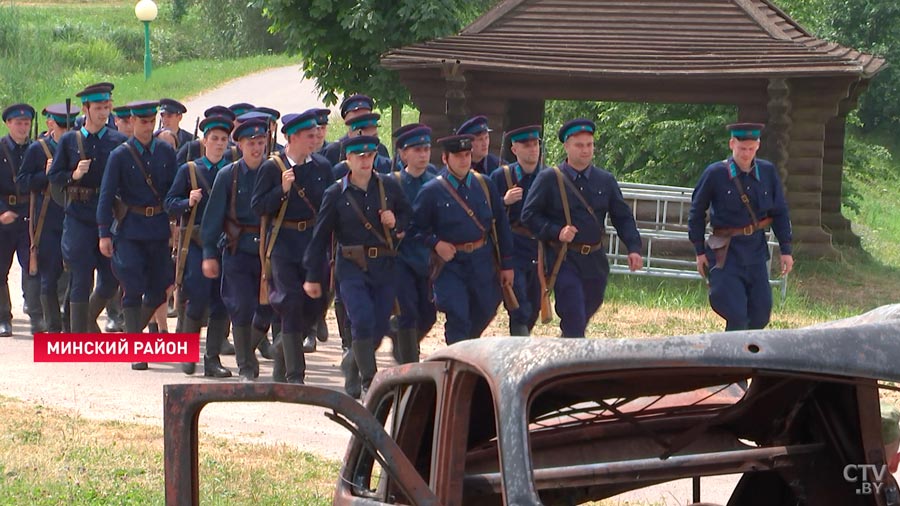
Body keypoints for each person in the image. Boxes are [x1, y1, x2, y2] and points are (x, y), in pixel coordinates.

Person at [304, 135, 411, 397]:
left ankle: (352, 365)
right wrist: (311, 275)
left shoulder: (389, 186)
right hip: (351, 266)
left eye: (370, 155)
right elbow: (319, 238)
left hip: (384, 264)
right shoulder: (335, 194)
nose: (365, 160)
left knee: (378, 325)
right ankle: (369, 380)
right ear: (348, 159)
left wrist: (395, 222)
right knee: (361, 319)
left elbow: (409, 216)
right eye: (359, 156)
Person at [521, 118, 643, 338]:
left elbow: (622, 216)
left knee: (588, 306)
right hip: (564, 258)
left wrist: (634, 247)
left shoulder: (605, 180)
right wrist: (556, 231)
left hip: (595, 260)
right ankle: (572, 359)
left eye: (589, 145)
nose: (585, 150)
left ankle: (567, 344)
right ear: (566, 146)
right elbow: (529, 216)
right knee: (574, 313)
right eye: (579, 145)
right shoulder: (550, 178)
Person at [251, 110, 333, 383]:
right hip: (283, 244)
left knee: (316, 303)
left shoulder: (321, 167)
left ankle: (282, 348)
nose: (315, 139)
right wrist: (281, 191)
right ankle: (295, 373)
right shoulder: (272, 168)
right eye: (309, 135)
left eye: (316, 134)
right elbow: (258, 206)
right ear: (292, 137)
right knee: (290, 303)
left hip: (312, 243)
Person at [410, 134, 514, 345]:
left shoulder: (484, 185)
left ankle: (466, 348)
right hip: (450, 265)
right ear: (446, 159)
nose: (464, 160)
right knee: (457, 314)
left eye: (467, 154)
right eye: (458, 156)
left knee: (486, 308)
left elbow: (501, 224)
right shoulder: (431, 191)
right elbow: (415, 228)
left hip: (482, 260)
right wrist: (436, 244)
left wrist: (507, 264)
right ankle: (457, 364)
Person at [688, 123, 794, 331]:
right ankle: (731, 360)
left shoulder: (767, 172)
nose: (746, 154)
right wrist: (699, 251)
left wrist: (786, 250)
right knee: (736, 314)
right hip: (725, 253)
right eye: (742, 148)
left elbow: (780, 211)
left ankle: (745, 357)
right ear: (731, 144)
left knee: (761, 315)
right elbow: (696, 212)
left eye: (751, 148)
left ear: (758, 146)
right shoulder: (715, 173)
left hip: (755, 250)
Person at [97, 100, 177, 370]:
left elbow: (173, 191)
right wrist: (103, 233)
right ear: (132, 121)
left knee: (158, 290)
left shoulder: (165, 152)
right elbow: (106, 195)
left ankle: (133, 339)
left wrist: (176, 223)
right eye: (143, 122)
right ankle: (136, 350)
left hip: (157, 228)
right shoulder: (120, 155)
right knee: (132, 287)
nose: (147, 127)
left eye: (151, 122)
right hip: (130, 228)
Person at [48, 82, 128, 333]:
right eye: (98, 107)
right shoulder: (70, 140)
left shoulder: (118, 141)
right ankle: (78, 335)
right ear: (86, 109)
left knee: (111, 279)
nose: (104, 112)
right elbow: (55, 177)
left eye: (107, 107)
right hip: (78, 216)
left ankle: (86, 320)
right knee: (81, 276)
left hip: (107, 217)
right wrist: (73, 174)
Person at [201, 118, 274, 382]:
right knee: (241, 306)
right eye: (251, 143)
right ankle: (246, 366)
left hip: (268, 252)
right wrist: (209, 253)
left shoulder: (275, 171)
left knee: (269, 307)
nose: (257, 149)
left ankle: (248, 351)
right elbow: (212, 218)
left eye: (260, 143)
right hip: (237, 249)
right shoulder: (228, 175)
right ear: (240, 145)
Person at [165, 115, 235, 377]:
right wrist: (187, 201)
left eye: (223, 140)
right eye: (214, 139)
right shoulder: (190, 170)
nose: (218, 144)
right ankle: (187, 351)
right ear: (204, 141)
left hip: (224, 244)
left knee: (221, 302)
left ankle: (212, 359)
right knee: (196, 299)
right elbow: (169, 203)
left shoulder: (232, 171)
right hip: (196, 245)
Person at [16, 103, 79, 333]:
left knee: (77, 274)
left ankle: (70, 322)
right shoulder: (38, 149)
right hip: (47, 220)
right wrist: (46, 173)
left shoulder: (78, 147)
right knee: (49, 275)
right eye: (62, 127)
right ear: (52, 125)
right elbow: (23, 182)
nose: (65, 132)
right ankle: (52, 325)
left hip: (75, 217)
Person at [490, 125, 545, 336]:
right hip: (513, 243)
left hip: (539, 246)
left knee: (534, 303)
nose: (533, 149)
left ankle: (521, 339)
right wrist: (504, 201)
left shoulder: (549, 177)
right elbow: (487, 212)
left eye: (535, 144)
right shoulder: (500, 176)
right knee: (519, 302)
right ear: (515, 150)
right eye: (526, 145)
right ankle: (519, 347)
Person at [391, 125, 437, 362]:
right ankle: (409, 364)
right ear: (403, 154)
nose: (423, 154)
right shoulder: (392, 183)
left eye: (427, 149)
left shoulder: (437, 182)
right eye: (417, 149)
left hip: (428, 258)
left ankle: (402, 343)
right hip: (401, 257)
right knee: (407, 311)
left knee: (429, 315)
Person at [1, 103, 42, 336]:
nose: (23, 127)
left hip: (29, 213)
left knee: (32, 265)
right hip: (4, 214)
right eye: (18, 123)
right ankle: (3, 316)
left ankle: (36, 315)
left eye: (26, 123)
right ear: (8, 124)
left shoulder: (36, 149)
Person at [321, 94, 390, 165]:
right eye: (357, 117)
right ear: (347, 120)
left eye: (366, 116)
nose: (362, 120)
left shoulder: (380, 148)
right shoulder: (334, 150)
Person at [331, 113, 392, 179]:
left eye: (375, 136)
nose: (375, 143)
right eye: (369, 138)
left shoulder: (387, 164)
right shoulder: (340, 170)